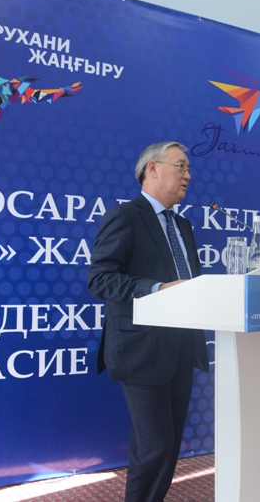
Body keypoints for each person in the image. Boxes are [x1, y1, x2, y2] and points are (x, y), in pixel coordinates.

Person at [88, 141, 211, 502]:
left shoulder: (183, 226)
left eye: (189, 169)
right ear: (152, 169)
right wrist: (157, 288)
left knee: (166, 447)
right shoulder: (125, 216)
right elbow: (100, 278)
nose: (188, 175)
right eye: (180, 166)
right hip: (141, 351)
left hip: (181, 348)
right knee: (154, 447)